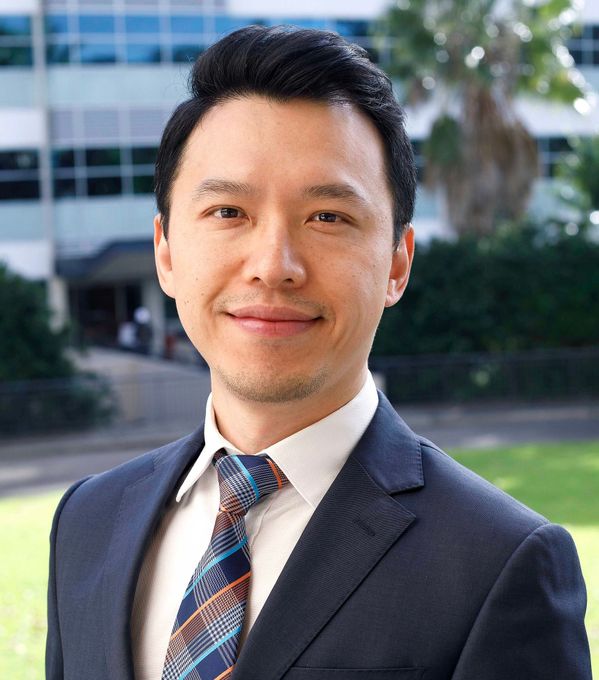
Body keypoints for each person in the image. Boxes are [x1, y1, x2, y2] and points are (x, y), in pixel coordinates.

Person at [46, 26, 592, 680]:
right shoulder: (87, 522)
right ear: (165, 250)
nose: (272, 267)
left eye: (327, 217)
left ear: (396, 263)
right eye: (228, 211)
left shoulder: (498, 562)